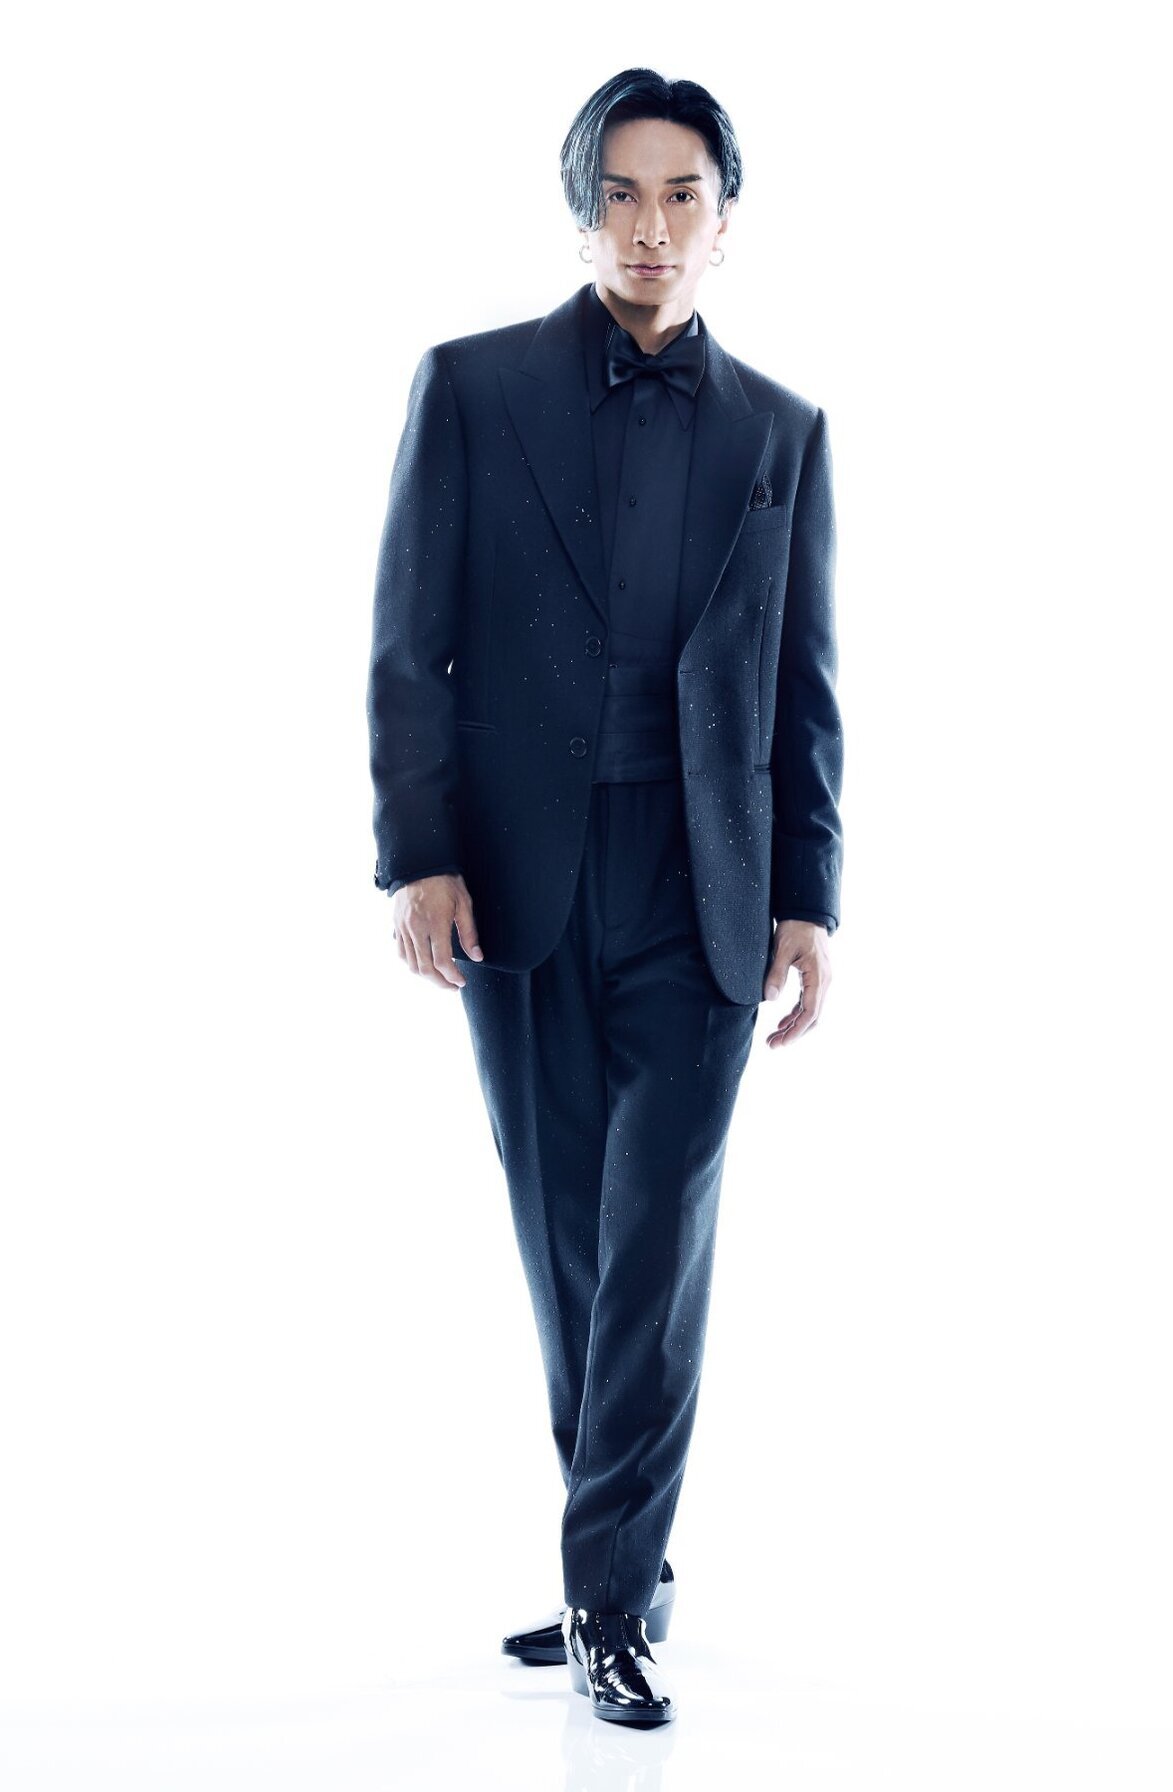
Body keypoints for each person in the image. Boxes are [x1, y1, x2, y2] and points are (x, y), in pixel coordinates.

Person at [366, 67, 843, 1726]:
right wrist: (416, 852)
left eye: (682, 196)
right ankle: (619, 1563)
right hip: (516, 879)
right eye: (622, 195)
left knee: (656, 1241)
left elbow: (802, 686)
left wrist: (811, 896)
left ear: (725, 219)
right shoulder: (472, 387)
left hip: (705, 888)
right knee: (563, 1237)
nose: (652, 227)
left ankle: (605, 1596)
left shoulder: (784, 432)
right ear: (583, 214)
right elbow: (409, 641)